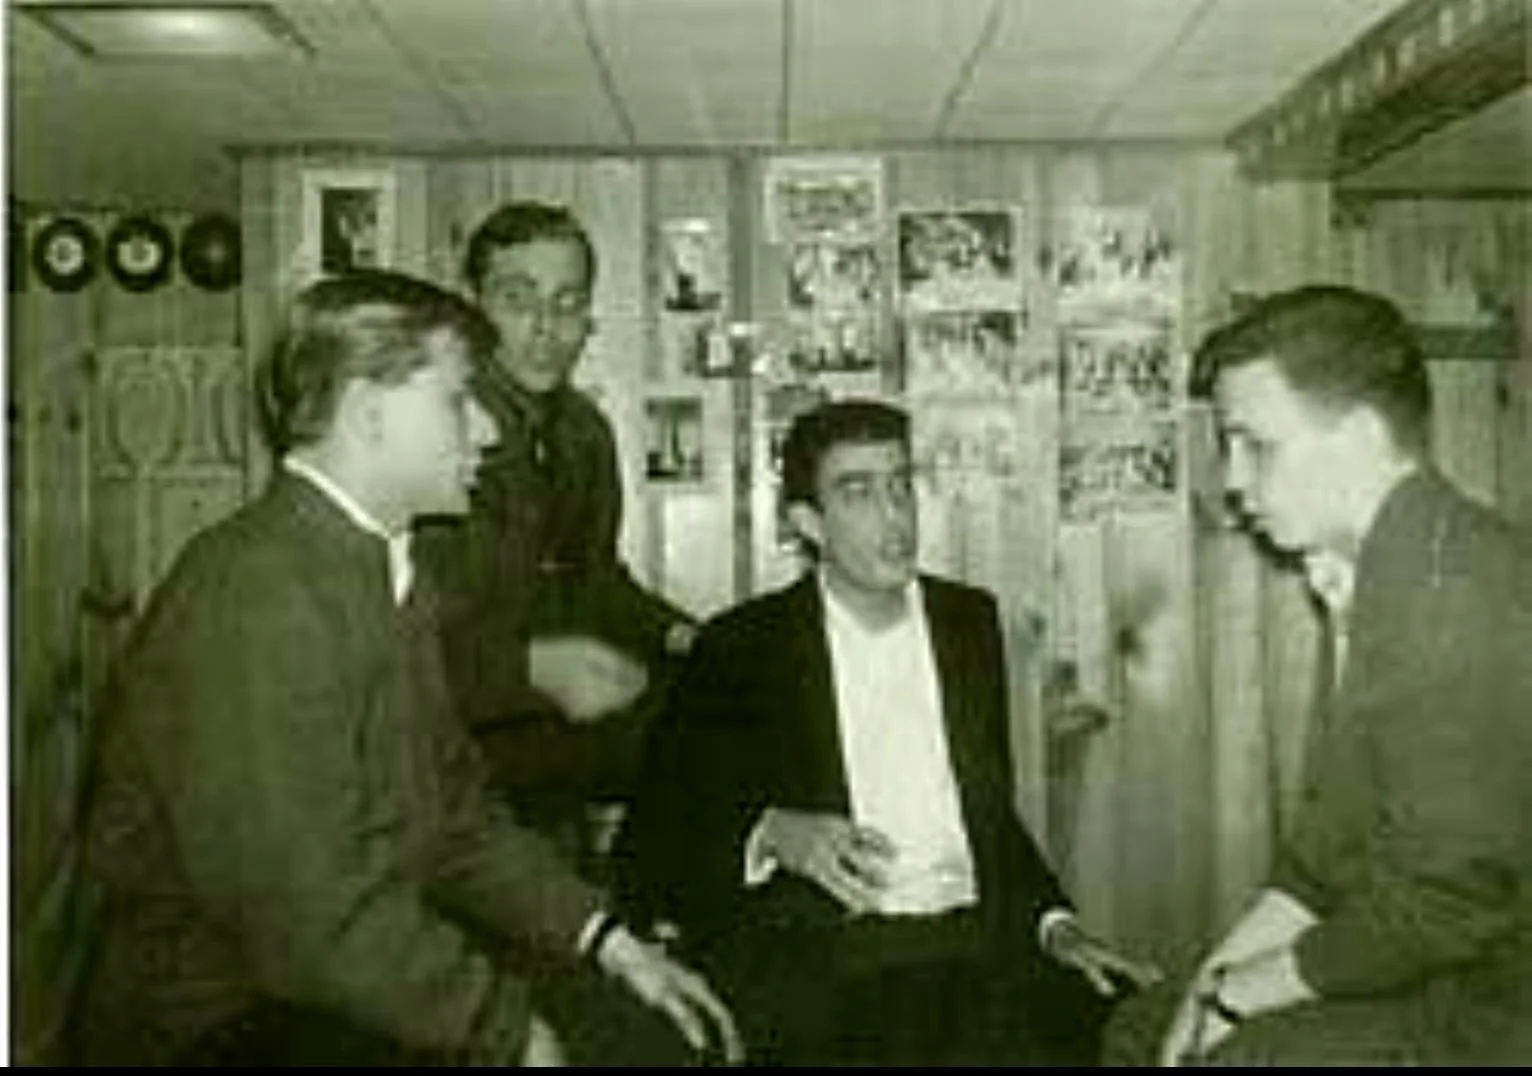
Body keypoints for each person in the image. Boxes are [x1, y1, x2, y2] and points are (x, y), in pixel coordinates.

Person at [72, 269, 741, 1066]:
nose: (487, 434)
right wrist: (506, 1031)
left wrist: (610, 942)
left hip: (325, 981)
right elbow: (305, 917)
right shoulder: (261, 591)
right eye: (459, 400)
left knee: (653, 1025)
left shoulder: (385, 569)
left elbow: (453, 814)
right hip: (218, 1021)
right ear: (369, 412)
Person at [613, 399, 1159, 1065]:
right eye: (859, 493)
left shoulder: (968, 623)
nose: (895, 516)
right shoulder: (743, 647)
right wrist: (769, 833)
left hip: (972, 942)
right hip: (826, 955)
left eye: (901, 485)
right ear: (807, 522)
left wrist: (1056, 925)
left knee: (1122, 1024)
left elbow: (987, 820)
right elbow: (654, 845)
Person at [1106, 284, 1532, 1066]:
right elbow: (1322, 857)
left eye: (1255, 445)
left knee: (1241, 1057)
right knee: (1148, 1027)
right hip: (1436, 971)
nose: (1233, 483)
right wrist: (1212, 987)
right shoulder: (1381, 574)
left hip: (1497, 1007)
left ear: (1363, 439)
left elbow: (1454, 898)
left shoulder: (1457, 591)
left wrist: (1246, 994)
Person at [413, 201, 696, 857]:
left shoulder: (584, 432)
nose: (547, 328)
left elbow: (596, 580)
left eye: (568, 303)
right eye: (519, 300)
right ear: (471, 306)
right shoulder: (434, 432)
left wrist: (687, 636)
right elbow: (393, 643)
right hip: (439, 749)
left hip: (548, 743)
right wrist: (531, 666)